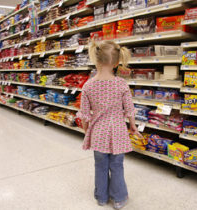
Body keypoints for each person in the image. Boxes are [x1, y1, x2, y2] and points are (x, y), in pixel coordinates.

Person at [77, 40, 142, 209]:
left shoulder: (88, 86)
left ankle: (101, 197)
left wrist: (87, 132)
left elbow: (84, 116)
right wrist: (133, 126)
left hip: (98, 133)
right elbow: (129, 110)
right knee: (117, 166)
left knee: (100, 166)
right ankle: (119, 199)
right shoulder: (121, 84)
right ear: (116, 63)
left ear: (96, 60)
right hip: (118, 133)